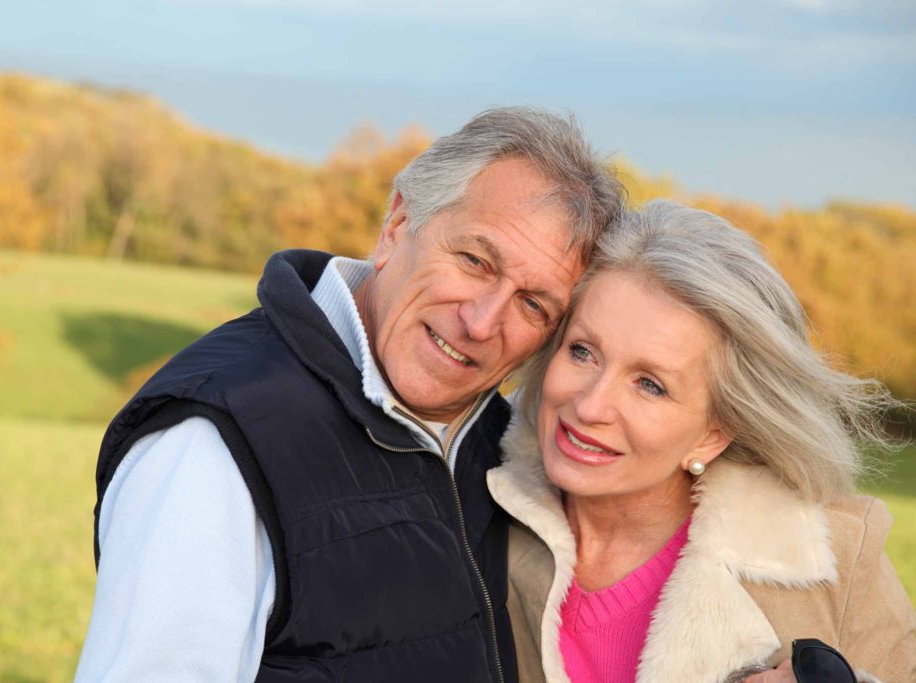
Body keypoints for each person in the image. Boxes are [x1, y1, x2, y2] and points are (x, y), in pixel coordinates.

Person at [74, 107, 625, 682]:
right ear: (396, 225)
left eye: (534, 305)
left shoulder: (496, 439)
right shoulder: (214, 445)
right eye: (474, 261)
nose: (483, 322)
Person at [489, 200, 916, 683]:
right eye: (583, 351)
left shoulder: (837, 563)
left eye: (650, 384)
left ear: (713, 434)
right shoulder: (469, 511)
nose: (590, 406)